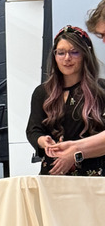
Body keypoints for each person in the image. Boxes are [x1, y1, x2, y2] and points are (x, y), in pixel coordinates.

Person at [26, 25, 105, 176]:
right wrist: (43, 141)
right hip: (54, 172)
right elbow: (33, 129)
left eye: (74, 52)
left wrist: (75, 153)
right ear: (54, 56)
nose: (67, 58)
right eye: (61, 53)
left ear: (85, 54)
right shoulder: (42, 92)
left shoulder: (101, 90)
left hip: (92, 175)